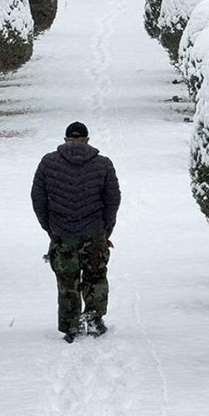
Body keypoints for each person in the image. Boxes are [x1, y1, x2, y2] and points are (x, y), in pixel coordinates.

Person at [31, 122, 121, 342]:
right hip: (94, 232)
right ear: (87, 140)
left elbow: (38, 198)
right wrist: (105, 230)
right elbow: (113, 200)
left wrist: (50, 228)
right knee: (96, 277)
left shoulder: (48, 163)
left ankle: (70, 326)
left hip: (62, 233)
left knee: (66, 281)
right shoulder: (103, 164)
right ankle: (93, 319)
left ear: (65, 139)